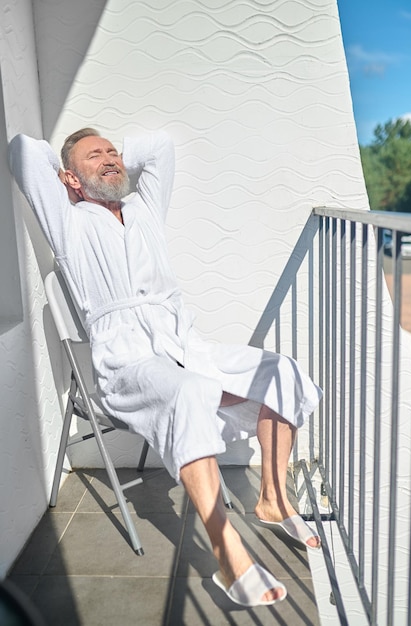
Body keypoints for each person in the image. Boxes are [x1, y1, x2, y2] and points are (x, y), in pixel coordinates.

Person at [9, 128, 322, 608]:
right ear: (68, 177)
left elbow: (159, 147)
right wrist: (73, 171)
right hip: (127, 361)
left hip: (185, 345)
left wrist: (108, 161)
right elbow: (23, 151)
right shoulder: (68, 221)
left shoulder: (144, 209)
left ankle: (273, 499)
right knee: (189, 392)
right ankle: (226, 551)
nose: (112, 158)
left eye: (115, 152)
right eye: (96, 156)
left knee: (278, 371)